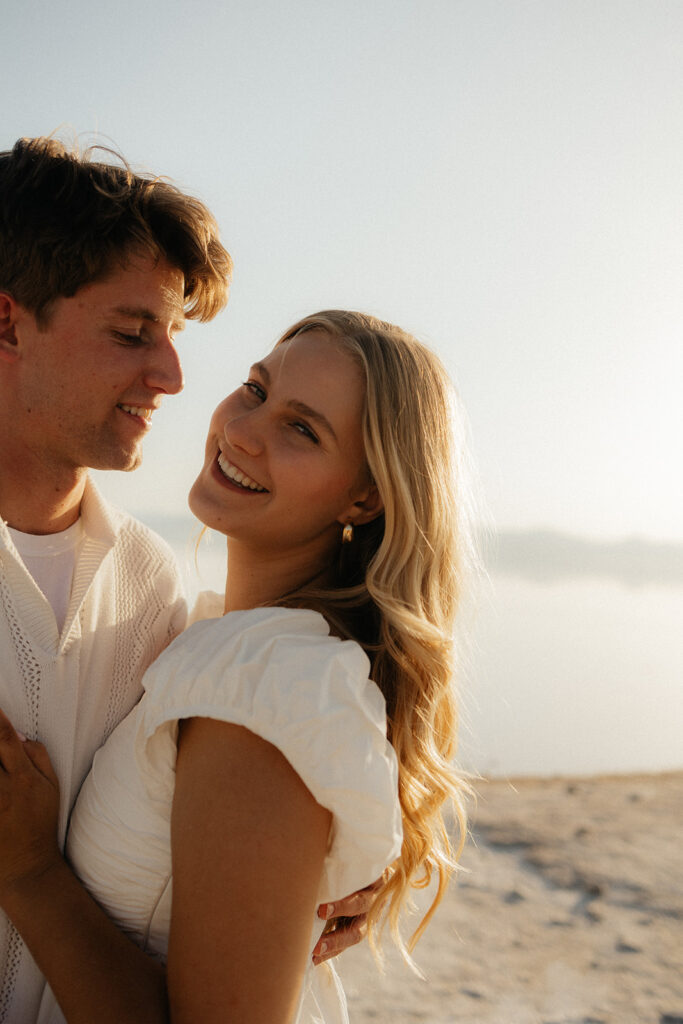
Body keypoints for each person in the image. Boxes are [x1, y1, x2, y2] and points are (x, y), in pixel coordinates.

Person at [0, 310, 474, 1024]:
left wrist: (32, 874)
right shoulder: (220, 642)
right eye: (256, 390)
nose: (243, 431)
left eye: (302, 430)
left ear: (364, 497)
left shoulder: (264, 685)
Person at [0, 138, 371, 1023]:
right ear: (8, 324)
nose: (170, 376)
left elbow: (235, 787)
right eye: (132, 334)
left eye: (171, 338)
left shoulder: (153, 588)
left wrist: (325, 868)